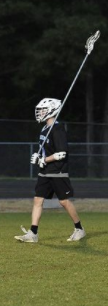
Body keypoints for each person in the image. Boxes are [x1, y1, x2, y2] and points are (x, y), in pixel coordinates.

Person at [15, 98, 85, 243]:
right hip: (45, 172)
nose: (40, 112)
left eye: (43, 110)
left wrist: (44, 160)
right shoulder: (45, 128)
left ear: (52, 110)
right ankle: (33, 233)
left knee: (64, 202)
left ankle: (79, 229)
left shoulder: (57, 128)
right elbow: (47, 150)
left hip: (57, 171)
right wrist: (39, 157)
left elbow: (62, 153)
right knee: (38, 200)